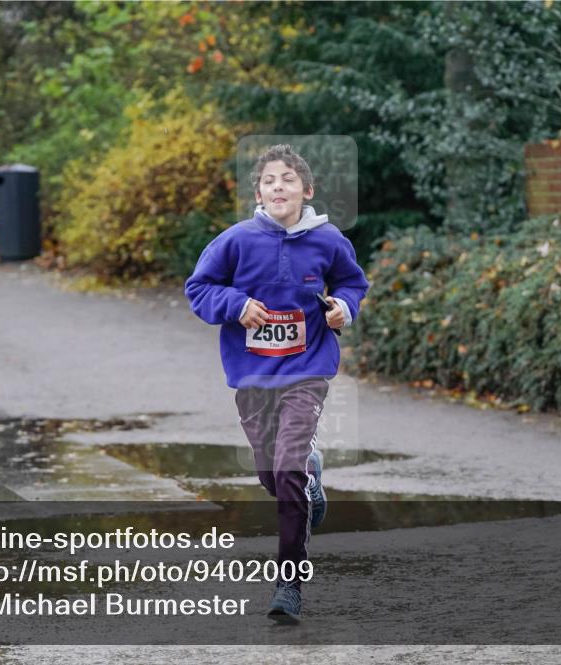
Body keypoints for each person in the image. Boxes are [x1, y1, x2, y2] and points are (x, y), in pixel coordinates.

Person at [184, 143, 369, 624]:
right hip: (252, 374)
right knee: (273, 475)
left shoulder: (328, 240)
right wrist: (236, 306)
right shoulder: (235, 240)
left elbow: (353, 283)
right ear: (259, 193)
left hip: (307, 370)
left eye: (288, 179)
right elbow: (199, 288)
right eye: (269, 180)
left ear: (306, 191)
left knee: (286, 471)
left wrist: (343, 308)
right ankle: (310, 471)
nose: (279, 186)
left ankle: (289, 581)